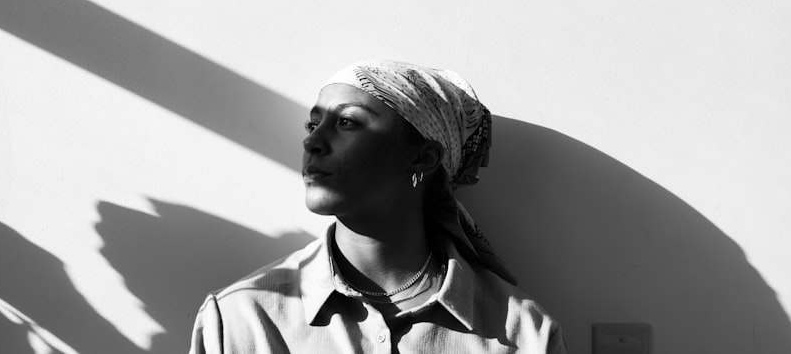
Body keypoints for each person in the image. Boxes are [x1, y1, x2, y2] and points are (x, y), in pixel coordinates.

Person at [188, 60, 567, 353]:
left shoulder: (522, 332)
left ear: (423, 158)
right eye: (312, 125)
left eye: (348, 122)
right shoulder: (243, 318)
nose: (313, 143)